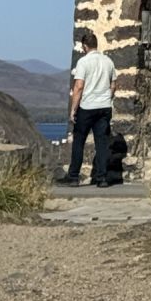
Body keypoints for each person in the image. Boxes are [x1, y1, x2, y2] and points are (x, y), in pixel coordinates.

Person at [56, 33, 115, 188]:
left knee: (79, 141)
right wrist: (107, 98)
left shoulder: (83, 62)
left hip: (87, 107)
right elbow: (113, 85)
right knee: (101, 143)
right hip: (104, 106)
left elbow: (79, 86)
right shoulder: (108, 62)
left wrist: (73, 109)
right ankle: (102, 178)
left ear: (84, 46)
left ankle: (74, 176)